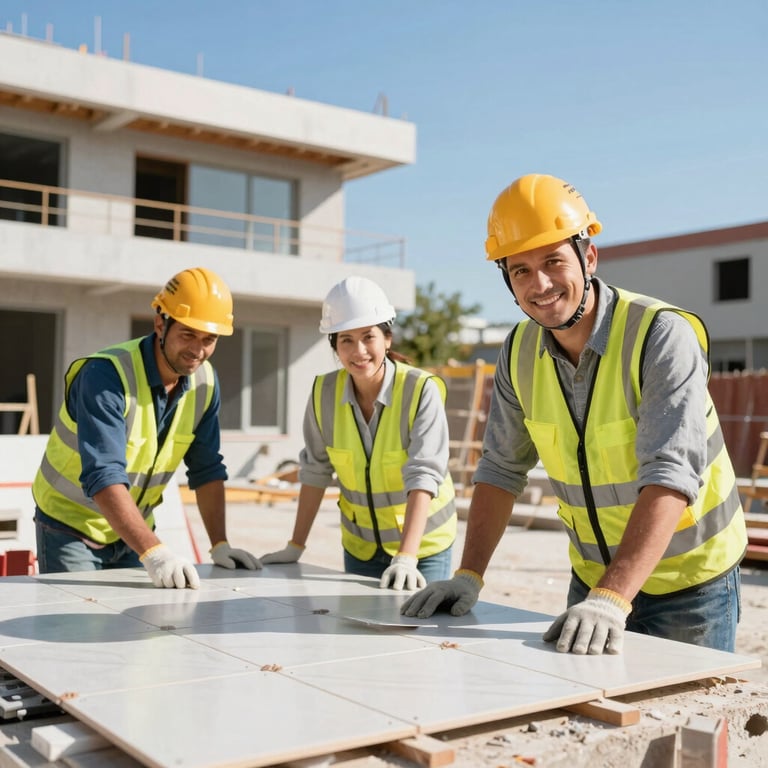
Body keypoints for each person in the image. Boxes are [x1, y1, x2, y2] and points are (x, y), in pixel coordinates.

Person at [402, 173, 747, 654]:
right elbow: (501, 470)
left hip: (690, 585)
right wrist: (469, 575)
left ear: (588, 256)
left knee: (686, 721)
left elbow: (670, 473)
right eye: (520, 270)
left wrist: (612, 597)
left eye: (552, 261)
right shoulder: (518, 352)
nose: (539, 284)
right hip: (591, 582)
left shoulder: (660, 336)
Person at [32, 266, 262, 588]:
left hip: (133, 529)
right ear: (160, 324)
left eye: (209, 339)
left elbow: (206, 468)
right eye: (187, 335)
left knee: (137, 632)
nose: (198, 351)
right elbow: (103, 475)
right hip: (71, 527)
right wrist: (154, 552)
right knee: (79, 632)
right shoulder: (105, 376)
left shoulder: (205, 383)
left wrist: (220, 544)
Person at [261, 275, 457, 589]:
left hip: (423, 548)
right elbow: (315, 471)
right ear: (335, 347)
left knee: (418, 634)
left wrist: (407, 557)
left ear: (387, 339)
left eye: (369, 337)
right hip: (360, 548)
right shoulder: (323, 393)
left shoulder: (420, 390)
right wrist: (295, 546)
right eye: (346, 340)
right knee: (362, 635)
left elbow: (423, 474)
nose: (359, 350)